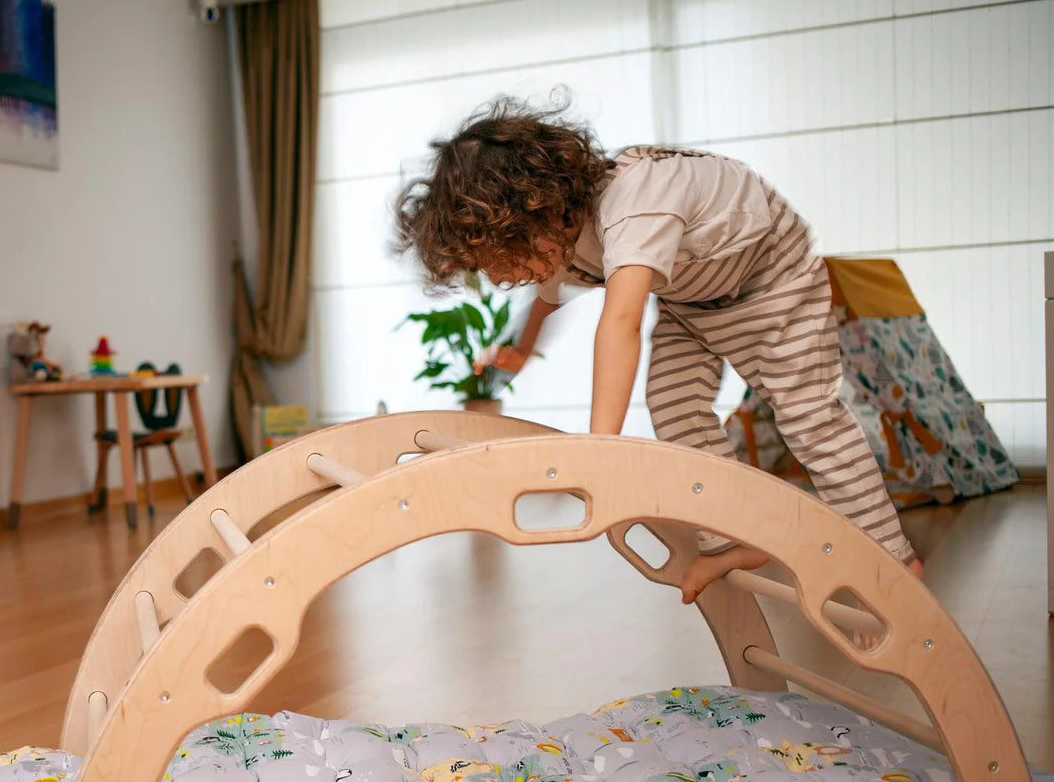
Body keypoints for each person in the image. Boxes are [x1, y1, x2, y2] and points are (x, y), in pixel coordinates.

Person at [394, 95, 923, 602]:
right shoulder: (564, 243)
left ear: (543, 211)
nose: (500, 276)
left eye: (501, 259)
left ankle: (893, 563)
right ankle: (735, 537)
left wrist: (598, 449)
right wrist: (521, 353)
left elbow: (620, 322)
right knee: (674, 407)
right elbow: (546, 302)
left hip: (770, 273)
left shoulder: (633, 205)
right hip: (692, 298)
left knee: (808, 416)